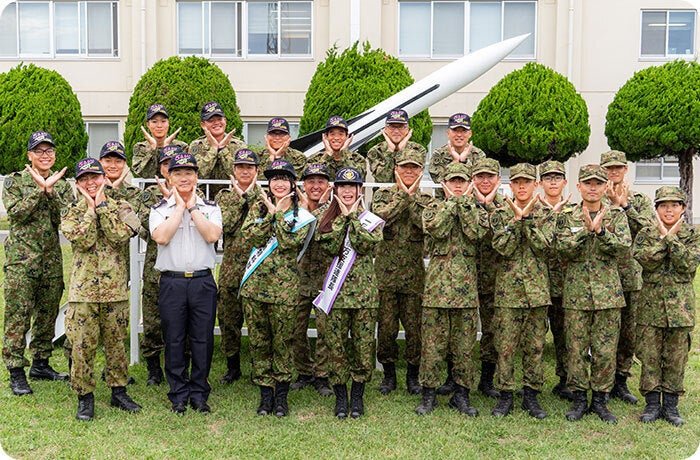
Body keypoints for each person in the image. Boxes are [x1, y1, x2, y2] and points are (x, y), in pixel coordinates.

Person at [61, 158, 142, 421]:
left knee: (116, 345)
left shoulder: (122, 207)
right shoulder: (71, 211)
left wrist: (102, 207)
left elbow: (120, 235)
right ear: (77, 184)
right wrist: (89, 209)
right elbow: (82, 239)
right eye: (84, 179)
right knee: (82, 346)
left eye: (94, 177)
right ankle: (84, 397)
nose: (90, 183)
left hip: (114, 290)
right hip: (83, 292)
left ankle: (119, 391)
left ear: (104, 179)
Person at [240, 159, 316, 417]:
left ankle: (281, 397)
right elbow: (252, 237)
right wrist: (270, 213)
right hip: (255, 288)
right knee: (259, 342)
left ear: (293, 184)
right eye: (274, 179)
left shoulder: (301, 213)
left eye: (284, 178)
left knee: (283, 343)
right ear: (269, 183)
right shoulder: (258, 206)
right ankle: (265, 395)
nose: (279, 183)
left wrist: (278, 214)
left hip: (284, 291)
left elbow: (288, 243)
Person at [555, 164, 631, 423]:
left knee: (605, 350)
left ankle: (600, 399)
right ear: (579, 186)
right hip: (577, 294)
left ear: (605, 186)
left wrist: (600, 232)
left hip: (608, 295)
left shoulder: (616, 216)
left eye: (598, 183)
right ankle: (578, 399)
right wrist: (584, 234)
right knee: (575, 348)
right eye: (588, 183)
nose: (593, 188)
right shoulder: (567, 216)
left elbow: (623, 248)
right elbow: (561, 248)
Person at [150, 152, 222, 415]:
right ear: (169, 178)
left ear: (197, 177)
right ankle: (178, 394)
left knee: (203, 339)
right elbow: (161, 237)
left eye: (188, 173)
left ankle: (199, 393)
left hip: (202, 282)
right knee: (174, 339)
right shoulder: (159, 210)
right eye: (177, 173)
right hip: (173, 283)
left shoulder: (211, 208)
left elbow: (212, 235)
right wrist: (179, 207)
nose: (183, 178)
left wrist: (192, 208)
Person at [3, 131, 72, 395]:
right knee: (18, 316)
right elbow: (16, 214)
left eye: (49, 151)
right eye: (39, 151)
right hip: (21, 261)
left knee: (47, 314)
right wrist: (40, 190)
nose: (45, 155)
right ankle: (15, 369)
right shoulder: (15, 181)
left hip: (50, 260)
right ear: (30, 155)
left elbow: (65, 219)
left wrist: (51, 192)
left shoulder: (62, 185)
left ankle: (41, 363)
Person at [415, 162, 482, 416]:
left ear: (469, 184)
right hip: (437, 291)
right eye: (453, 181)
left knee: (464, 348)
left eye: (461, 181)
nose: (457, 186)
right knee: (432, 347)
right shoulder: (432, 208)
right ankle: (429, 395)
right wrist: (452, 202)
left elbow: (475, 233)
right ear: (443, 184)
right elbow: (437, 229)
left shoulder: (476, 210)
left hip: (465, 292)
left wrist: (463, 205)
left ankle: (461, 395)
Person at [316, 167, 384, 418]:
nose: (347, 191)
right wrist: (343, 219)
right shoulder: (325, 218)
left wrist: (353, 218)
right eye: (343, 186)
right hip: (335, 297)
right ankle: (340, 397)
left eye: (352, 186)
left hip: (364, 296)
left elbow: (365, 245)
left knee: (363, 348)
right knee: (336, 348)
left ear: (359, 190)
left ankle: (357, 396)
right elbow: (330, 247)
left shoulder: (371, 220)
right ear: (335, 190)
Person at [489, 163, 554, 419]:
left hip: (536, 291)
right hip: (508, 292)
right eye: (517, 182)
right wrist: (516, 221)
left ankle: (531, 395)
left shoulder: (546, 214)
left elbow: (544, 246)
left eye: (527, 182)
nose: (522, 186)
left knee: (534, 346)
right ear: (511, 185)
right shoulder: (500, 214)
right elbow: (502, 247)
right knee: (505, 347)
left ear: (535, 185)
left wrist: (527, 220)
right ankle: (505, 395)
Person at [437, 157, 504, 398]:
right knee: (456, 330)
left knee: (492, 329)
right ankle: (452, 377)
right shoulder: (458, 201)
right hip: (461, 279)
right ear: (472, 180)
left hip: (492, 278)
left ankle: (486, 379)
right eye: (480, 177)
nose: (485, 181)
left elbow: (502, 231)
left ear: (498, 180)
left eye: (490, 177)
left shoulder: (505, 207)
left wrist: (489, 206)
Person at [633, 186, 698, 427]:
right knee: (649, 356)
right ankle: (652, 404)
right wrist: (664, 239)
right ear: (656, 209)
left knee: (676, 358)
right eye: (663, 205)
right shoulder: (646, 234)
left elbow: (689, 263)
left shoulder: (692, 234)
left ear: (683, 208)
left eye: (674, 205)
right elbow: (645, 261)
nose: (668, 210)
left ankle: (670, 405)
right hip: (650, 306)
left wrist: (669, 238)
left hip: (680, 309)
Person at [371, 149, 432, 395]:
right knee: (386, 330)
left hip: (413, 278)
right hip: (386, 277)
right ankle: (389, 374)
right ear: (396, 169)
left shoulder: (426, 199)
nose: (409, 171)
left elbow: (425, 222)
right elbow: (380, 217)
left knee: (415, 330)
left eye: (414, 167)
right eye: (404, 167)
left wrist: (411, 198)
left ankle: (413, 375)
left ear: (420, 171)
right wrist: (403, 197)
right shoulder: (383, 195)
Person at [601, 150, 655, 405]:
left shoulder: (639, 200)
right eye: (608, 168)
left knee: (628, 332)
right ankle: (602, 380)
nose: (613, 172)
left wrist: (625, 206)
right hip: (602, 277)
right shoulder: (593, 196)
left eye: (618, 167)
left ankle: (621, 380)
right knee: (605, 333)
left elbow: (650, 230)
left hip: (631, 274)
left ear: (625, 170)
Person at [215, 148, 264, 384]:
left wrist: (251, 196)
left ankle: (259, 367)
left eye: (249, 167)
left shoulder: (265, 196)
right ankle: (232, 366)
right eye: (240, 167)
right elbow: (226, 225)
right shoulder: (224, 196)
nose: (245, 171)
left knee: (258, 323)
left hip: (258, 270)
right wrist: (241, 198)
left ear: (257, 171)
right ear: (234, 170)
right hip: (231, 270)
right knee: (229, 320)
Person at [137, 144, 183, 386]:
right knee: (153, 320)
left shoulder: (192, 193)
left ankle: (179, 365)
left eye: (175, 164)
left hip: (183, 266)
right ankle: (154, 367)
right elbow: (146, 225)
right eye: (166, 164)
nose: (170, 168)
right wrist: (168, 204)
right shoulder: (150, 194)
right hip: (156, 266)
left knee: (182, 320)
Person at [291, 163, 334, 396]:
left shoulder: (336, 209)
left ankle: (322, 375)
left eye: (321, 182)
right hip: (298, 279)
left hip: (325, 280)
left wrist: (319, 209)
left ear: (329, 185)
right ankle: (304, 371)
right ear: (303, 185)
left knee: (324, 330)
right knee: (295, 329)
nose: (316, 186)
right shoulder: (294, 209)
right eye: (311, 181)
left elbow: (321, 234)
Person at [537, 160, 574, 401]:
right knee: (535, 337)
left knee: (565, 335)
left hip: (565, 284)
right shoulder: (532, 211)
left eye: (557, 177)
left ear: (565, 182)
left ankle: (566, 380)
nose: (553, 182)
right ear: (541, 183)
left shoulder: (575, 211)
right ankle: (533, 383)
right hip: (538, 284)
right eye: (548, 178)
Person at [189, 101, 247, 198]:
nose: (216, 123)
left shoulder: (239, 146)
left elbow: (239, 175)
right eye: (211, 120)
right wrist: (213, 150)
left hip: (231, 198)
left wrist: (223, 149)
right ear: (203, 125)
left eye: (219, 119)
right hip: (203, 197)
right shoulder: (196, 146)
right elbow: (198, 174)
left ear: (225, 121)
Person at [428, 113, 485, 196]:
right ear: (448, 133)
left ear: (470, 133)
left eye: (463, 131)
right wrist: (455, 161)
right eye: (455, 130)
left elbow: (479, 180)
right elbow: (439, 180)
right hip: (444, 199)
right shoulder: (439, 154)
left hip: (471, 200)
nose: (459, 135)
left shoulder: (478, 154)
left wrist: (463, 161)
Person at [367, 109, 427, 183]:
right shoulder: (376, 150)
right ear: (385, 129)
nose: (396, 131)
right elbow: (382, 179)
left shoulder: (418, 149)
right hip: (383, 190)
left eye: (400, 127)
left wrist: (401, 151)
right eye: (392, 127)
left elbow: (413, 178)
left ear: (407, 129)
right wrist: (390, 152)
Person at [132, 104, 187, 178]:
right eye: (154, 122)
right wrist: (153, 150)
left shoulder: (181, 147)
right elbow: (143, 173)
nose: (159, 126)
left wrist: (166, 147)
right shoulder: (141, 148)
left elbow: (182, 172)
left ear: (168, 123)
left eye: (163, 121)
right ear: (148, 124)